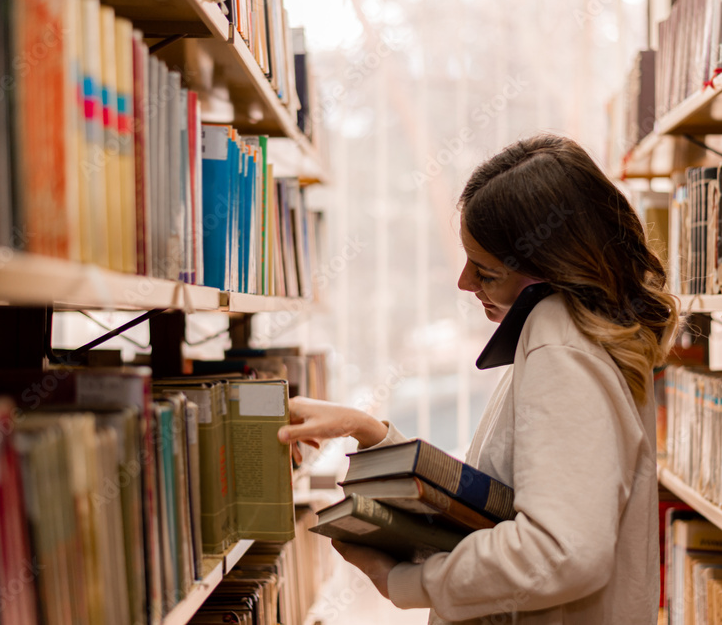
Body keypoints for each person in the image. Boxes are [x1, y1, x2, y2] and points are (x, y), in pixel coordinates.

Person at [278, 134, 680, 624]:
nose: (464, 282)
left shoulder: (560, 342)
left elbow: (562, 551)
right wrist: (370, 433)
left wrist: (408, 581)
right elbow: (499, 504)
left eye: (486, 272)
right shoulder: (578, 329)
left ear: (551, 271)